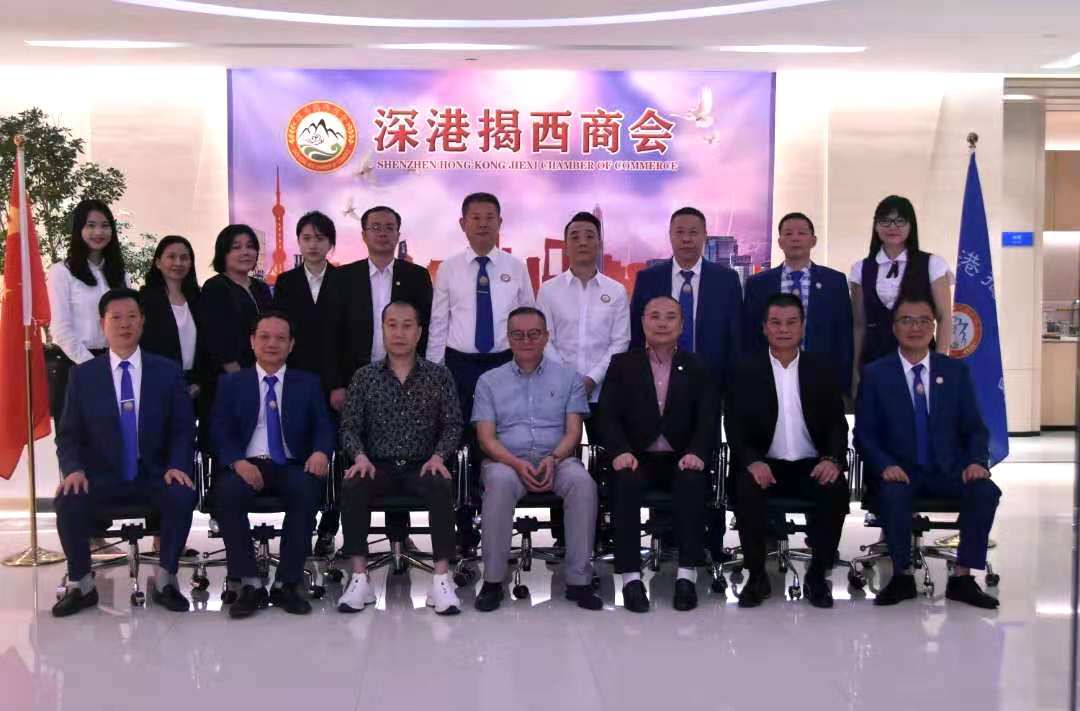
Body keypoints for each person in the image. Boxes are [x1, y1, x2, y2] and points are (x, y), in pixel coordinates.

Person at [52, 288, 197, 617]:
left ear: (142, 322)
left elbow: (182, 428)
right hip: (100, 476)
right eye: (115, 317)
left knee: (181, 494)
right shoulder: (83, 376)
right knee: (69, 499)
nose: (124, 324)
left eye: (132, 316)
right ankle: (81, 584)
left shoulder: (166, 371)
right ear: (102, 324)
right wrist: (74, 469)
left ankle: (166, 580)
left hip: (154, 473)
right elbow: (69, 434)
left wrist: (177, 464)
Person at [855, 295, 1000, 609]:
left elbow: (975, 428)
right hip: (900, 471)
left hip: (950, 470)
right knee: (893, 493)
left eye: (923, 321)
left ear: (933, 327)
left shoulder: (955, 372)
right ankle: (902, 576)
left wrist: (976, 462)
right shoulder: (877, 374)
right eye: (906, 320)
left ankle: (962, 577)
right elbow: (864, 433)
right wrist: (884, 465)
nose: (915, 327)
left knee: (985, 491)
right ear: (894, 328)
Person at [336, 301, 463, 615]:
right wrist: (359, 457)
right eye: (392, 325)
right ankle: (359, 577)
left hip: (424, 464)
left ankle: (441, 579)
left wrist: (439, 456)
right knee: (353, 485)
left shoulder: (438, 375)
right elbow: (349, 426)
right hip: (376, 465)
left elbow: (453, 424)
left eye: (407, 326)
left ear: (419, 333)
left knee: (440, 485)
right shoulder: (365, 377)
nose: (399, 333)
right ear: (382, 330)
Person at [471, 307, 601, 612]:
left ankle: (579, 581)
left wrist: (554, 458)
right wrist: (516, 464)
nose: (526, 340)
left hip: (557, 459)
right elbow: (486, 438)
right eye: (518, 335)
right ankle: (493, 581)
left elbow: (574, 431)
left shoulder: (569, 378)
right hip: (506, 462)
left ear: (546, 337)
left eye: (533, 334)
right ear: (508, 338)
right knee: (499, 482)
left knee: (583, 483)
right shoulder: (489, 381)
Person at [320, 205, 433, 556]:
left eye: (389, 227)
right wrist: (336, 384)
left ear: (398, 233)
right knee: (354, 455)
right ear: (364, 234)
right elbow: (328, 335)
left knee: (398, 454)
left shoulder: (416, 276)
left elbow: (426, 330)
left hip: (403, 379)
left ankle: (399, 536)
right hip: (355, 381)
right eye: (375, 227)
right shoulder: (342, 277)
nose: (382, 233)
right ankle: (348, 537)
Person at [726, 293, 850, 609]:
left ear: (803, 327)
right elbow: (735, 425)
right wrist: (752, 461)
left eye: (791, 322)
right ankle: (756, 575)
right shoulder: (745, 369)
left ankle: (818, 575)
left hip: (811, 464)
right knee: (746, 486)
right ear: (764, 327)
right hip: (765, 464)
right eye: (776, 322)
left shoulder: (821, 368)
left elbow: (837, 424)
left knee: (835, 488)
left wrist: (832, 459)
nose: (784, 329)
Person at [425, 192, 534, 548]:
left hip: (504, 364)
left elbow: (529, 320)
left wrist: (529, 367)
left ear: (500, 223)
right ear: (463, 224)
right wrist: (435, 374)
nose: (483, 224)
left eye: (490, 218)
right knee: (460, 442)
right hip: (459, 365)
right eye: (476, 217)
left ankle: (496, 522)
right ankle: (463, 523)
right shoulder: (449, 268)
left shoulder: (516, 267)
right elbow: (439, 323)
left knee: (499, 442)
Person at [209, 311, 335, 619]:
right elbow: (218, 430)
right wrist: (237, 461)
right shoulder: (231, 383)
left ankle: (286, 583)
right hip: (246, 464)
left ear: (291, 345)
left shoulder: (308, 383)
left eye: (280, 338)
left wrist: (321, 452)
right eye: (264, 337)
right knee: (226, 493)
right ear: (252, 342)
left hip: (292, 465)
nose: (272, 344)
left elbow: (324, 426)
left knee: (306, 490)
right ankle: (249, 583)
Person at [597, 296, 718, 613]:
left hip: (682, 458)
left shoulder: (698, 366)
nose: (662, 323)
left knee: (692, 481)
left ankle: (686, 576)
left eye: (670, 316)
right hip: (637, 458)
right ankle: (631, 578)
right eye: (654, 316)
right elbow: (607, 415)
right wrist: (620, 451)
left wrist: (697, 452)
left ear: (682, 325)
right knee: (624, 482)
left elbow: (708, 417)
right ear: (642, 323)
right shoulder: (623, 364)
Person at [629, 206, 741, 399]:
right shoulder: (648, 278)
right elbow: (636, 334)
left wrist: (731, 389)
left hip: (711, 384)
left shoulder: (726, 280)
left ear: (705, 236)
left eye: (693, 232)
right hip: (657, 385)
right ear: (670, 235)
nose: (686, 239)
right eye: (680, 232)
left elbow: (735, 337)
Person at [536, 210, 630, 438]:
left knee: (606, 454)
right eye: (575, 237)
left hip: (604, 392)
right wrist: (570, 381)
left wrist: (591, 379)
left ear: (600, 244)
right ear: (566, 246)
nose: (583, 242)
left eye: (589, 236)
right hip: (558, 392)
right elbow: (544, 339)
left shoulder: (616, 291)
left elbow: (620, 342)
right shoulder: (548, 290)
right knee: (558, 455)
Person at [742, 212, 853, 396]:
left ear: (813, 240)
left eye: (802, 233)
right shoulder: (758, 284)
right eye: (788, 233)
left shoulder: (834, 281)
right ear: (780, 242)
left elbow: (844, 334)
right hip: (769, 377)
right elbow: (750, 334)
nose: (795, 238)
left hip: (822, 377)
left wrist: (844, 381)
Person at [850, 195, 953, 390]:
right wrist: (854, 370)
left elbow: (945, 317)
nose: (892, 227)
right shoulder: (860, 269)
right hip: (874, 362)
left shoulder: (932, 264)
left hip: (921, 362)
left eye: (900, 221)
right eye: (885, 221)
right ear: (876, 226)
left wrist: (939, 363)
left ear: (911, 225)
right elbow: (859, 325)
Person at [46, 199, 129, 421]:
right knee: (76, 438)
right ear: (78, 229)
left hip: (116, 365)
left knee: (116, 436)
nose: (98, 232)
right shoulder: (61, 272)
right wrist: (94, 367)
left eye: (104, 225)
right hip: (76, 366)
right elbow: (60, 330)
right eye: (90, 225)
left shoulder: (120, 274)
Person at [198, 224, 273, 426]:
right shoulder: (215, 287)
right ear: (223, 253)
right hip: (230, 379)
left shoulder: (261, 287)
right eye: (236, 247)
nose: (245, 252)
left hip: (263, 375)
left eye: (250, 246)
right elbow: (215, 337)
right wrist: (240, 378)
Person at [270, 211, 338, 377]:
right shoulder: (285, 281)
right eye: (306, 238)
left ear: (330, 243)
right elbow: (279, 325)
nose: (313, 245)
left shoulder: (343, 279)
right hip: (294, 368)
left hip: (335, 369)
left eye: (320, 238)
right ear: (299, 242)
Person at [139, 235, 202, 400]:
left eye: (184, 258)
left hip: (195, 385)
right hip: (159, 384)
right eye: (171, 257)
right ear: (158, 263)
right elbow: (145, 346)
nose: (178, 263)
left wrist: (199, 383)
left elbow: (207, 345)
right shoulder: (145, 299)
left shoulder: (198, 298)